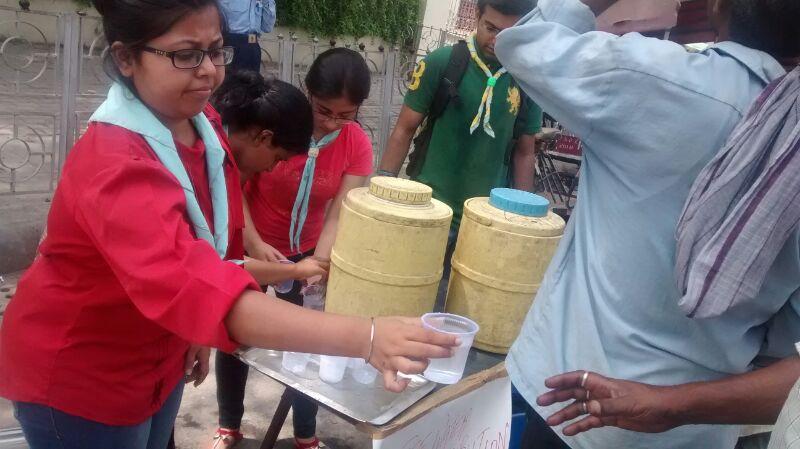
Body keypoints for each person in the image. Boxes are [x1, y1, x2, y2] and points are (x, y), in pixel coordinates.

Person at [0, 1, 458, 448]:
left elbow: (213, 256)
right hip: (85, 379)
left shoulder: (202, 123)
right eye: (185, 54)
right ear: (125, 57)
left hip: (157, 355)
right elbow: (198, 285)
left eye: (216, 49)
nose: (208, 70)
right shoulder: (117, 165)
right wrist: (367, 336)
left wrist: (193, 330)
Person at [489, 0, 800, 447]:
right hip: (693, 433)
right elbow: (787, 351)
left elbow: (525, 40)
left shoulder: (654, 79)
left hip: (565, 408)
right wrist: (673, 403)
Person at [211, 49, 374, 449]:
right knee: (234, 336)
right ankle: (229, 425)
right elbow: (237, 186)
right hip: (254, 241)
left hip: (310, 250)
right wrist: (255, 242)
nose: (331, 122)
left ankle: (305, 432)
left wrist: (317, 262)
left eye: (345, 115)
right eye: (323, 110)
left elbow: (339, 212)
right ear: (308, 92)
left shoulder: (356, 145)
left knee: (308, 341)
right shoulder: (281, 123)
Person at [378, 0, 543, 304]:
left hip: (486, 221)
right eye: (490, 27)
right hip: (429, 211)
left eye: (509, 33)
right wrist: (383, 191)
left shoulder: (528, 81)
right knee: (409, 298)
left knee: (464, 310)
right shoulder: (443, 62)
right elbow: (404, 129)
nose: (496, 40)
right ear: (477, 17)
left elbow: (524, 152)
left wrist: (523, 224)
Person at [219, 0, 276, 73]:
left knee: (253, 82)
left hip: (253, 46)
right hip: (232, 45)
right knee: (231, 81)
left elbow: (267, 27)